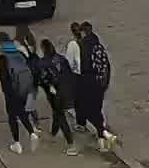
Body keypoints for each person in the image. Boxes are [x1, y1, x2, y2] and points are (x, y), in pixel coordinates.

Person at [77, 22, 117, 152]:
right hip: (101, 82)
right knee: (96, 108)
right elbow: (106, 66)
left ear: (83, 32)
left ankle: (104, 133)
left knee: (90, 110)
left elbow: (82, 67)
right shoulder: (99, 46)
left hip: (90, 83)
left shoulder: (84, 47)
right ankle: (102, 139)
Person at [0, 32, 39, 153]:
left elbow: (4, 79)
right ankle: (32, 133)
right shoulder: (20, 54)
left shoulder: (3, 58)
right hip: (24, 89)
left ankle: (17, 143)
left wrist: (6, 92)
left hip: (11, 92)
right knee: (21, 111)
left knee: (12, 116)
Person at [37, 37, 79, 154]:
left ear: (43, 49)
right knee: (57, 113)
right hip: (68, 90)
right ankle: (53, 133)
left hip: (56, 94)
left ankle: (71, 145)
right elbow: (70, 74)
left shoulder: (43, 63)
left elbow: (43, 80)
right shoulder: (62, 59)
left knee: (60, 117)